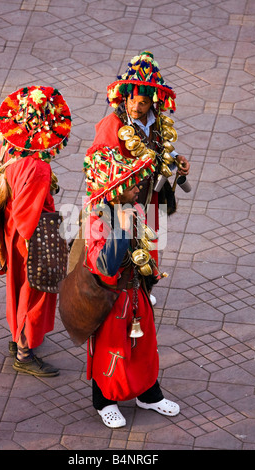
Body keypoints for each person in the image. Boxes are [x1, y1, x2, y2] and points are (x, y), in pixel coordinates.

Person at [0, 86, 72, 377]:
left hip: (9, 232)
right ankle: (24, 353)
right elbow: (29, 214)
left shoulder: (6, 149)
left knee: (16, 289)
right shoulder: (37, 166)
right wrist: (41, 251)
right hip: (30, 235)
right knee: (35, 292)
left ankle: (18, 337)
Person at [82, 145, 180, 428]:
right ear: (114, 191)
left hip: (137, 293)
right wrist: (122, 229)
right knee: (110, 351)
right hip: (110, 300)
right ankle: (104, 400)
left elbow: (164, 212)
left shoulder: (133, 206)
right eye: (131, 185)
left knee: (145, 346)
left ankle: (149, 393)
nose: (138, 187)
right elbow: (106, 266)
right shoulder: (96, 219)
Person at [88, 51, 191, 305]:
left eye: (142, 103)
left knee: (151, 239)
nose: (135, 107)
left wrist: (177, 158)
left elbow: (162, 146)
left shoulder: (157, 123)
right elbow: (100, 163)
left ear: (153, 103)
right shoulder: (113, 123)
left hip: (151, 195)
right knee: (126, 241)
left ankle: (145, 286)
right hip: (125, 198)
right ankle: (127, 290)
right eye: (132, 101)